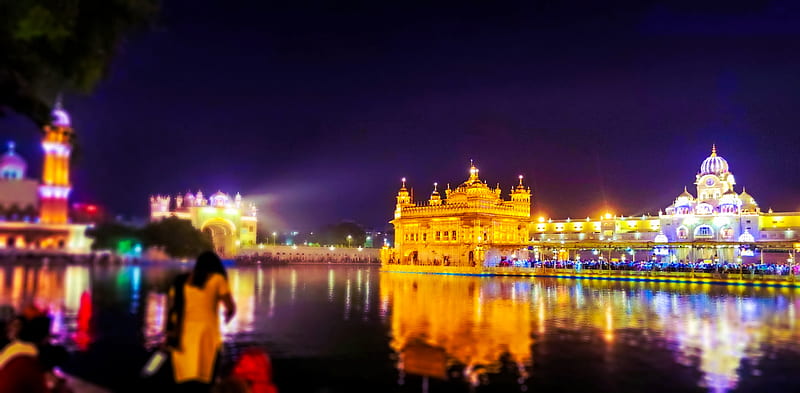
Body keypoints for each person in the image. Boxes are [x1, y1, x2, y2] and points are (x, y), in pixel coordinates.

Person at [166, 251, 236, 393]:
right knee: (206, 383)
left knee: (184, 382)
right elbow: (230, 307)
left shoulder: (181, 281)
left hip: (181, 338)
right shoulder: (217, 279)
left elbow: (171, 307)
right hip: (207, 338)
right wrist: (228, 314)